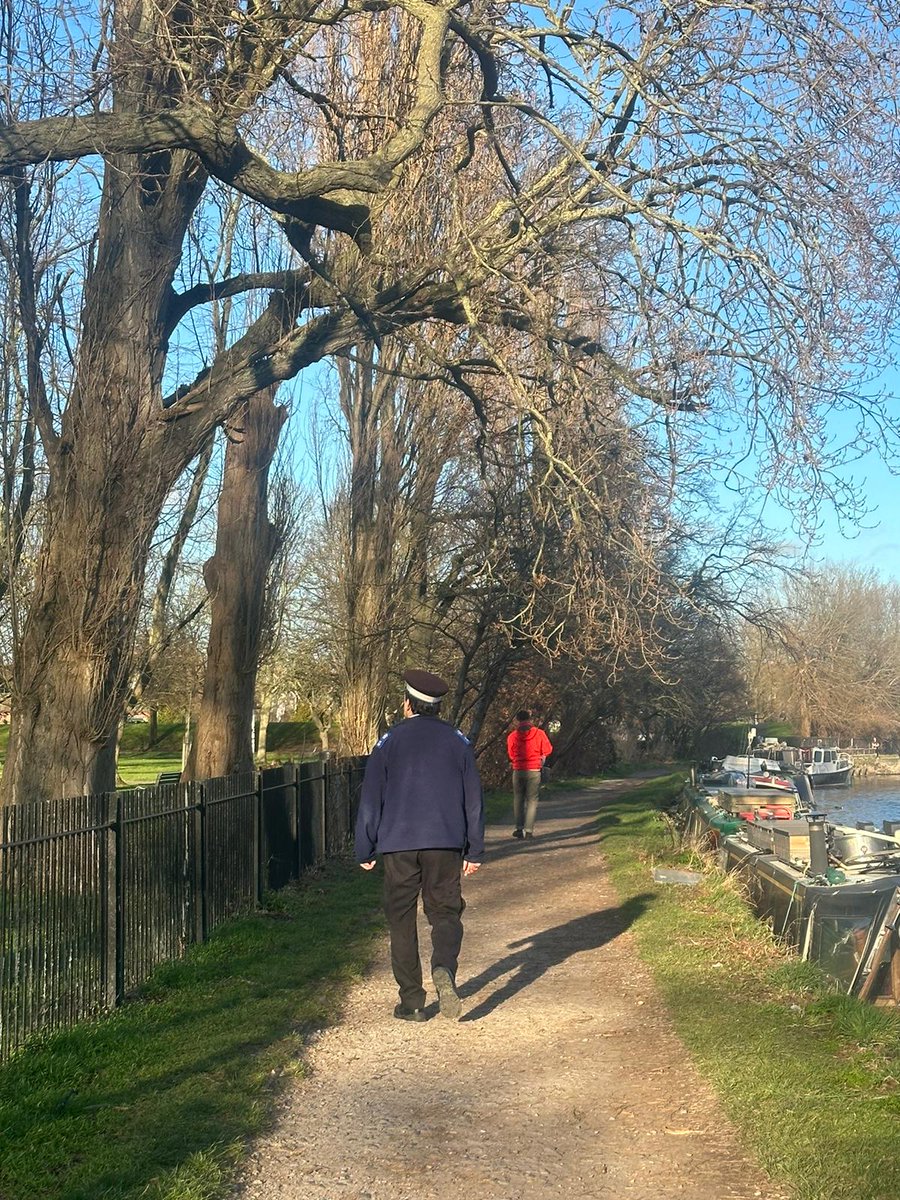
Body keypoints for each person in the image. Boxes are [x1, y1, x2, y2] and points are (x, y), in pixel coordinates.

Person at [355, 668, 484, 1023]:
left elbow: (371, 798)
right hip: (445, 841)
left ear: (407, 705)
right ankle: (443, 967)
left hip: (398, 842)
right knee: (445, 911)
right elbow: (473, 800)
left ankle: (411, 1001)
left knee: (400, 916)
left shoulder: (389, 741)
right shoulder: (458, 742)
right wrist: (474, 849)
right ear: (438, 707)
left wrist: (364, 847)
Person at [507, 709, 553, 839]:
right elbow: (548, 749)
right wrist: (540, 757)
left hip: (518, 770)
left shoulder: (512, 737)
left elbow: (511, 754)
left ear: (517, 720)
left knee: (518, 799)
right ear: (530, 719)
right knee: (532, 800)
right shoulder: (540, 734)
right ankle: (528, 830)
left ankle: (518, 828)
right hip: (534, 770)